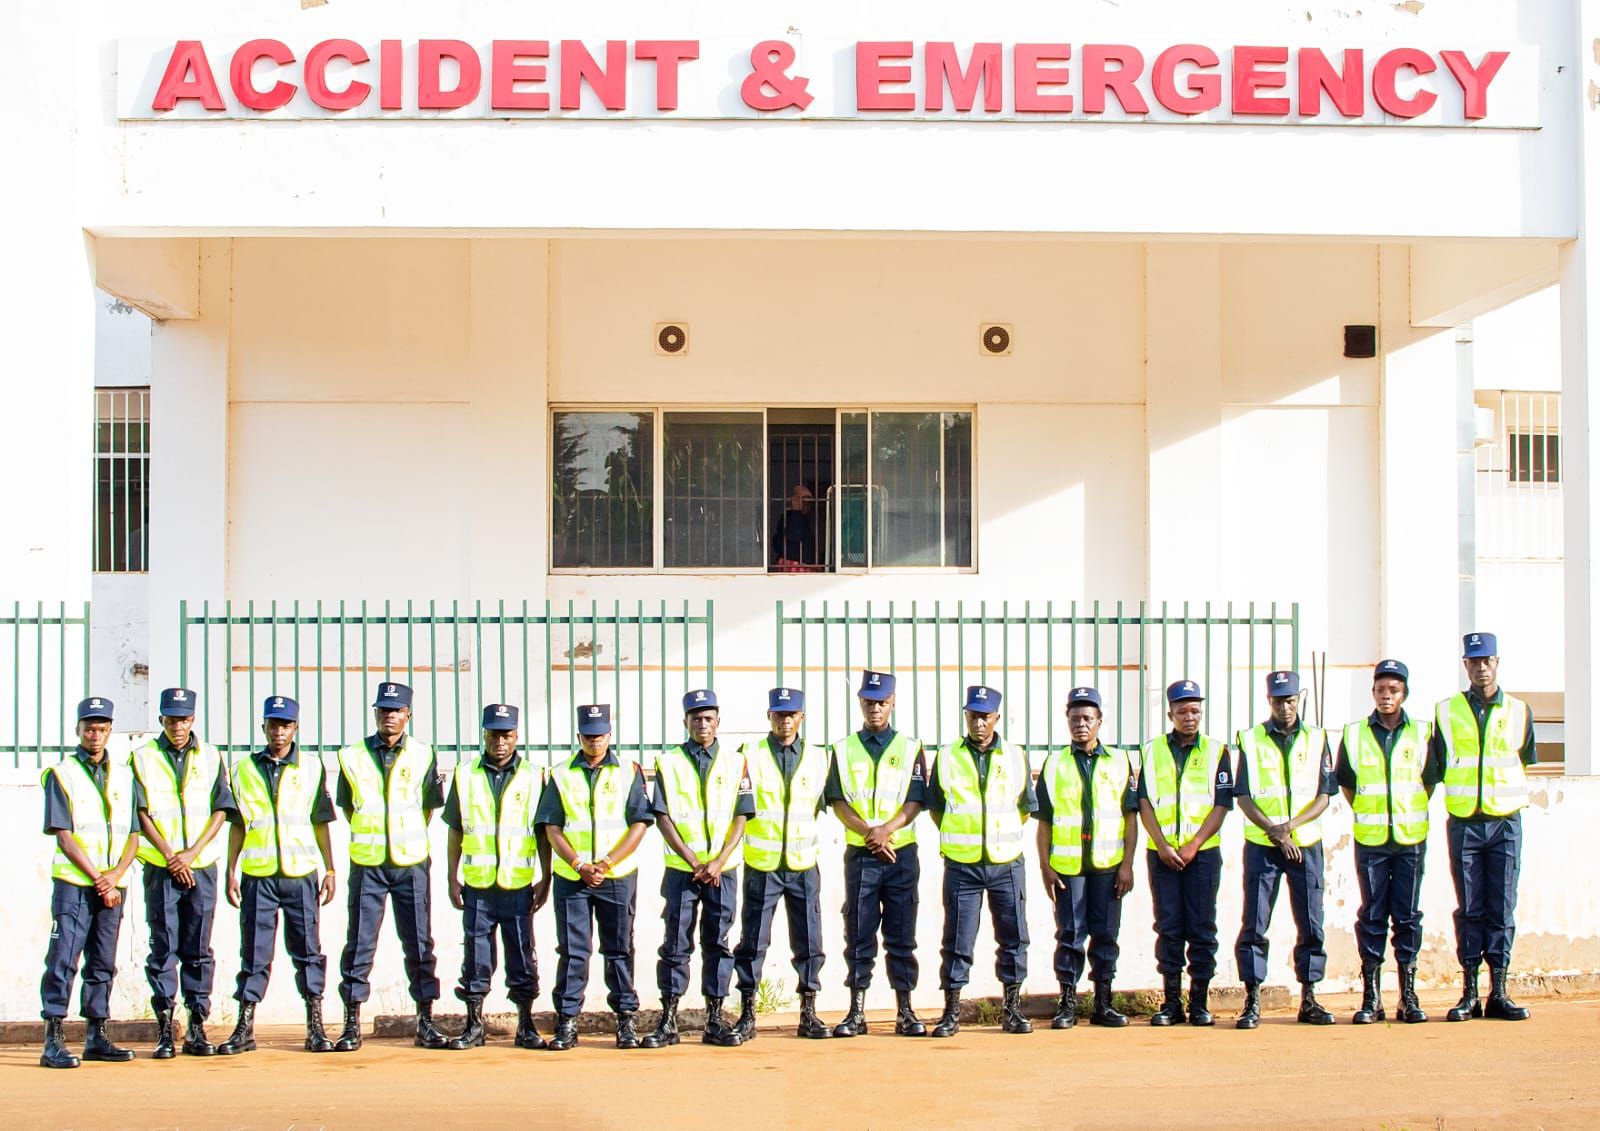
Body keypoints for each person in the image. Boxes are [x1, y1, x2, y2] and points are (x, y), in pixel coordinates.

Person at [218, 695, 339, 1055]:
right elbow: (238, 825)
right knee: (254, 953)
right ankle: (244, 1028)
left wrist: (330, 869)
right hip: (258, 876)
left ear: (295, 728)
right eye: (273, 724)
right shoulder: (242, 769)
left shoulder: (311, 768)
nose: (278, 731)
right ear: (263, 727)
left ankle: (315, 1027)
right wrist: (230, 870)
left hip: (300, 875)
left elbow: (321, 822)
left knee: (308, 952)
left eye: (285, 725)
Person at [333, 681, 448, 1051]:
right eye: (383, 709)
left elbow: (428, 807)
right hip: (367, 864)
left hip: (410, 863)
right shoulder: (351, 755)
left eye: (396, 710)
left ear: (408, 714)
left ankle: (425, 1021)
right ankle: (351, 1023)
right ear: (375, 713)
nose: (389, 716)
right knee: (359, 944)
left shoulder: (423, 754)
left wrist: (401, 836)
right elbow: (348, 806)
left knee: (419, 943)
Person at [1431, 632, 1537, 1022]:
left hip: (1505, 823)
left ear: (1497, 662)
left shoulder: (1519, 711)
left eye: (1486, 660)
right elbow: (1437, 765)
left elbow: (1524, 760)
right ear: (1465, 665)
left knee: (1502, 908)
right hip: (1465, 825)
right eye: (1473, 661)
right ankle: (1470, 993)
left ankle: (1500, 991)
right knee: (1470, 909)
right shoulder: (1446, 711)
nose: (1480, 667)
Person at [536, 704, 655, 1050]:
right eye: (588, 736)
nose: (594, 741)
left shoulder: (629, 771)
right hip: (572, 878)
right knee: (573, 951)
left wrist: (605, 863)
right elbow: (552, 827)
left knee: (619, 949)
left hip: (615, 876)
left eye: (600, 735)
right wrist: (578, 864)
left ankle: (626, 1020)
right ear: (579, 737)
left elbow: (639, 823)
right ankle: (567, 1022)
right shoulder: (560, 774)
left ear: (609, 735)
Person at [642, 689, 755, 1049]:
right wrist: (694, 860)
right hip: (683, 870)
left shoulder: (736, 762)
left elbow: (741, 815)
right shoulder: (668, 762)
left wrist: (718, 861)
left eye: (708, 718)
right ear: (685, 722)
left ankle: (714, 1019)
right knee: (675, 944)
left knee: (718, 943)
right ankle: (669, 1021)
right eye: (696, 718)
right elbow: (662, 817)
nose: (702, 724)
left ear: (718, 721)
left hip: (722, 870)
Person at [130, 687, 236, 1058]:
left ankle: (196, 1025)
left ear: (193, 719)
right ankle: (164, 1029)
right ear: (161, 719)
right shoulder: (142, 757)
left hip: (201, 867)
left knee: (198, 948)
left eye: (184, 719)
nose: (178, 727)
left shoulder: (211, 755)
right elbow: (140, 812)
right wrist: (171, 856)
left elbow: (221, 808)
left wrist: (190, 854)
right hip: (161, 869)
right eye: (172, 719)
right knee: (163, 947)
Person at [926, 685, 1036, 1038]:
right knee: (957, 940)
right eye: (972, 716)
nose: (978, 723)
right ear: (965, 717)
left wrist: (998, 837)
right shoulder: (947, 756)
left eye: (985, 716)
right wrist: (964, 836)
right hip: (963, 865)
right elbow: (936, 808)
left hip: (1006, 864)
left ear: (996, 718)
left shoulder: (1016, 756)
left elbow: (1024, 808)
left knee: (1014, 938)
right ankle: (951, 1012)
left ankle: (1012, 1010)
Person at [442, 704, 554, 1051]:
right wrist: (451, 877)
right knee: (476, 958)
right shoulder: (464, 775)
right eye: (493, 734)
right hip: (477, 886)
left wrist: (546, 876)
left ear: (516, 736)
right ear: (484, 735)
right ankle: (474, 1026)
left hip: (518, 885)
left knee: (522, 955)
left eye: (506, 735)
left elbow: (543, 832)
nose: (500, 741)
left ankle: (526, 1025)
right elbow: (455, 829)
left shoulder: (534, 776)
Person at [826, 670, 930, 1038]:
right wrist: (869, 833)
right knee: (859, 933)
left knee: (902, 935)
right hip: (862, 855)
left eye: (881, 702)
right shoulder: (842, 749)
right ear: (860, 703)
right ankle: (856, 1012)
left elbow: (916, 799)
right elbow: (837, 800)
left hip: (900, 854)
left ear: (893, 703)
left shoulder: (911, 747)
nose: (875, 708)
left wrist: (887, 829)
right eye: (869, 702)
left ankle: (905, 1011)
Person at [1233, 670, 1338, 1028]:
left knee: (1311, 922)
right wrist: (1276, 833)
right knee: (1254, 923)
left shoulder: (1318, 738)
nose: (1285, 707)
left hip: (1305, 845)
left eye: (1290, 700)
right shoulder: (1251, 739)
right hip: (1263, 845)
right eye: (1279, 701)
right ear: (1269, 701)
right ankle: (1252, 1000)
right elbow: (1243, 796)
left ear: (1298, 700)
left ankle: (1309, 997)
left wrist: (1290, 828)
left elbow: (1324, 796)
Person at [38, 696, 139, 1069]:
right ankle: (53, 1039)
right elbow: (64, 836)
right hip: (75, 884)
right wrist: (100, 879)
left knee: (103, 961)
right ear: (78, 730)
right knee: (63, 959)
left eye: (101, 728)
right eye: (89, 729)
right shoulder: (61, 774)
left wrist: (115, 875)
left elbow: (134, 834)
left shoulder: (125, 776)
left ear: (110, 730)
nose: (95, 735)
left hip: (112, 884)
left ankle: (97, 1034)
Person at [1336, 660, 1437, 1025]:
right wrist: (1371, 810)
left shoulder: (1423, 732)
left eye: (1393, 690)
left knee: (1407, 917)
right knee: (1373, 915)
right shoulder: (1354, 734)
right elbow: (1347, 783)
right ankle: (1372, 997)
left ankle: (1408, 996)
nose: (1386, 696)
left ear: (1404, 694)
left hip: (1410, 839)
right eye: (1381, 690)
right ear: (1373, 693)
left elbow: (1429, 781)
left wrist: (1404, 812)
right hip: (1372, 840)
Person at [730, 687, 832, 1041]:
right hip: (763, 865)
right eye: (779, 714)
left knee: (810, 941)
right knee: (753, 942)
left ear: (801, 717)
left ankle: (809, 1012)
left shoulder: (819, 757)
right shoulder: (749, 754)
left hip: (803, 865)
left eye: (791, 714)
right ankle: (747, 1013)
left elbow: (820, 802)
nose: (785, 720)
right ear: (768, 716)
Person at [1036, 686, 1139, 1029]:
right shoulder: (1054, 764)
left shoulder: (1120, 762)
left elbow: (1130, 817)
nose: (1081, 724)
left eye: (1087, 718)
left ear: (1099, 722)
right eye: (1075, 718)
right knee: (1070, 935)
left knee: (1106, 935)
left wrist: (1127, 865)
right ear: (1067, 721)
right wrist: (1045, 866)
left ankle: (1103, 1004)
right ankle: (1067, 1004)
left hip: (1109, 867)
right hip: (1068, 869)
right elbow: (1044, 821)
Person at [1137, 679, 1232, 1027]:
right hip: (1162, 856)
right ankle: (1172, 1003)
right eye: (1182, 711)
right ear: (1170, 714)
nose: (1189, 717)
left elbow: (1221, 804)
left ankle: (1200, 1003)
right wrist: (1162, 844)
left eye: (1195, 710)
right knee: (1169, 927)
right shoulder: (1151, 751)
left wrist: (1194, 844)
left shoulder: (1217, 751)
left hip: (1202, 855)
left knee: (1202, 927)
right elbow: (1143, 801)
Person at [773, 483, 818, 567]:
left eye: (809, 503)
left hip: (802, 566)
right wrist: (796, 511)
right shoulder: (788, 517)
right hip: (792, 566)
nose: (807, 506)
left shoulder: (805, 519)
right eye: (804, 502)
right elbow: (795, 536)